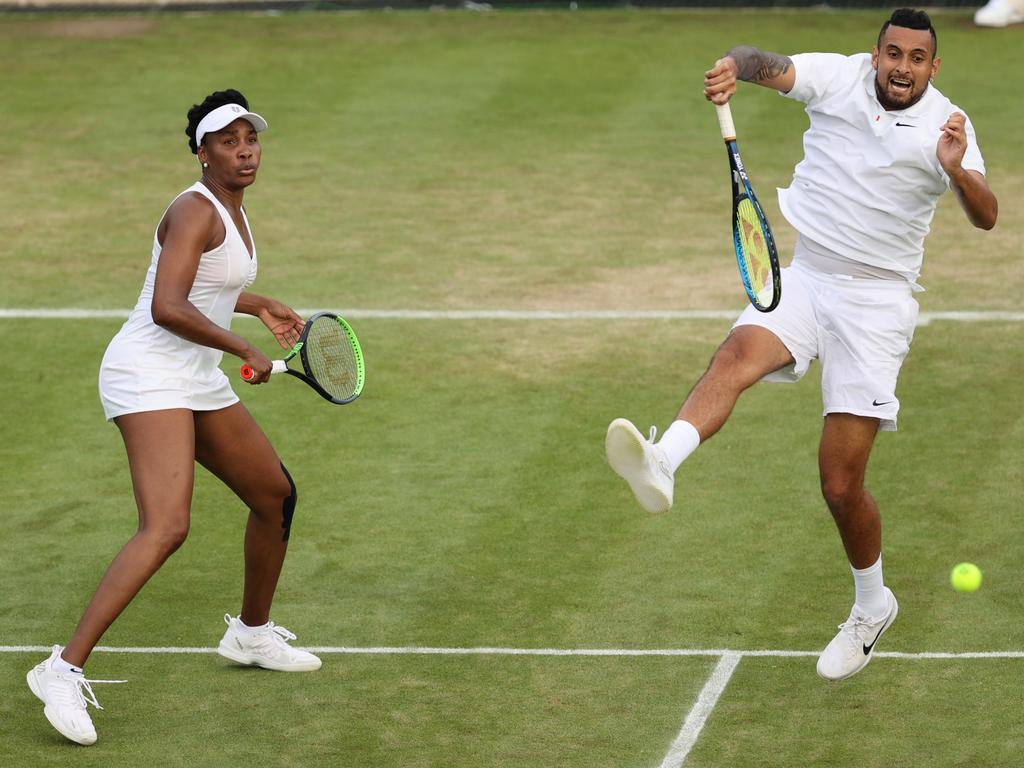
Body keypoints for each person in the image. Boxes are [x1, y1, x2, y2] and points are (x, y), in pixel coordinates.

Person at [606, 9, 997, 682]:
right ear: (874, 55)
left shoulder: (948, 125)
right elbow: (766, 60)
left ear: (934, 69)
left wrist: (956, 171)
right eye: (893, 53)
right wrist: (734, 65)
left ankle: (873, 606)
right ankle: (663, 460)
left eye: (917, 58)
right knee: (734, 356)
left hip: (877, 304)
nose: (902, 66)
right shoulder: (836, 78)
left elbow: (987, 215)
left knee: (840, 484)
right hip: (810, 275)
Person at [26, 89, 322, 746]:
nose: (244, 151)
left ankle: (249, 634)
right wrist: (244, 346)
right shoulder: (195, 209)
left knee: (274, 495)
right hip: (149, 374)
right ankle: (62, 668)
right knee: (166, 527)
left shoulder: (232, 212)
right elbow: (166, 305)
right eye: (228, 141)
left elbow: (203, 286)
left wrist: (255, 304)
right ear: (202, 151)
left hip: (192, 375)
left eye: (251, 139)